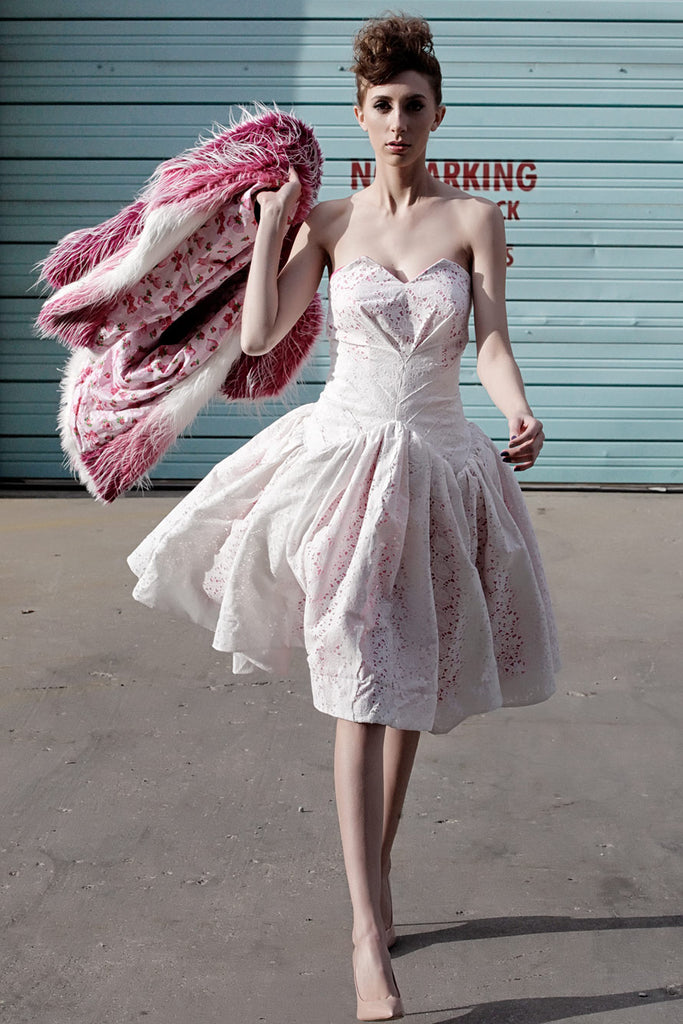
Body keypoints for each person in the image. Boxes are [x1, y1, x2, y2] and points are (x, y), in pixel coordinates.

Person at [129, 13, 559, 1021]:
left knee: (409, 679)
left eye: (414, 103)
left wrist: (517, 406)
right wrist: (276, 225)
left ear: (438, 112)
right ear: (359, 117)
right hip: (343, 464)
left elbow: (488, 343)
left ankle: (377, 875)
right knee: (361, 681)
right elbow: (258, 332)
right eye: (381, 105)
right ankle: (367, 937)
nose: (398, 119)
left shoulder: (472, 220)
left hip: (442, 461)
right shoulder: (329, 223)